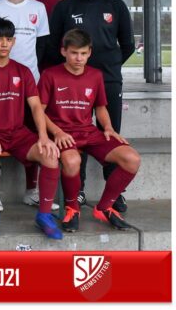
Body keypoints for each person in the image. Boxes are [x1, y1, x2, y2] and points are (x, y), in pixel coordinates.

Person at [48, 0, 135, 211]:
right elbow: (54, 44)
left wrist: (110, 65)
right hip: (73, 82)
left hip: (107, 79)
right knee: (78, 132)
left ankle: (115, 192)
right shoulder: (64, 7)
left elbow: (128, 44)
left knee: (109, 132)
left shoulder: (116, 6)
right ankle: (79, 189)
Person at [0, 18, 63, 240]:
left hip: (18, 133)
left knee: (50, 155)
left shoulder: (23, 71)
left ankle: (44, 216)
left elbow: (36, 106)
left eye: (8, 39)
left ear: (14, 42)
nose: (4, 43)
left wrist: (43, 136)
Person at [40, 29, 140, 232]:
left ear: (89, 53)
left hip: (88, 132)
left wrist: (108, 127)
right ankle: (72, 209)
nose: (79, 58)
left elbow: (100, 108)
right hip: (61, 133)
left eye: (83, 53)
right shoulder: (50, 75)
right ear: (63, 51)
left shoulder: (95, 75)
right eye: (74, 53)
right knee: (72, 161)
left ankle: (104, 207)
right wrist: (56, 132)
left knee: (132, 159)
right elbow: (38, 111)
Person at [0, 0, 53, 212]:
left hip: (28, 79)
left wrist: (30, 73)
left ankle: (32, 190)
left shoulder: (38, 7)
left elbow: (42, 45)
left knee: (31, 133)